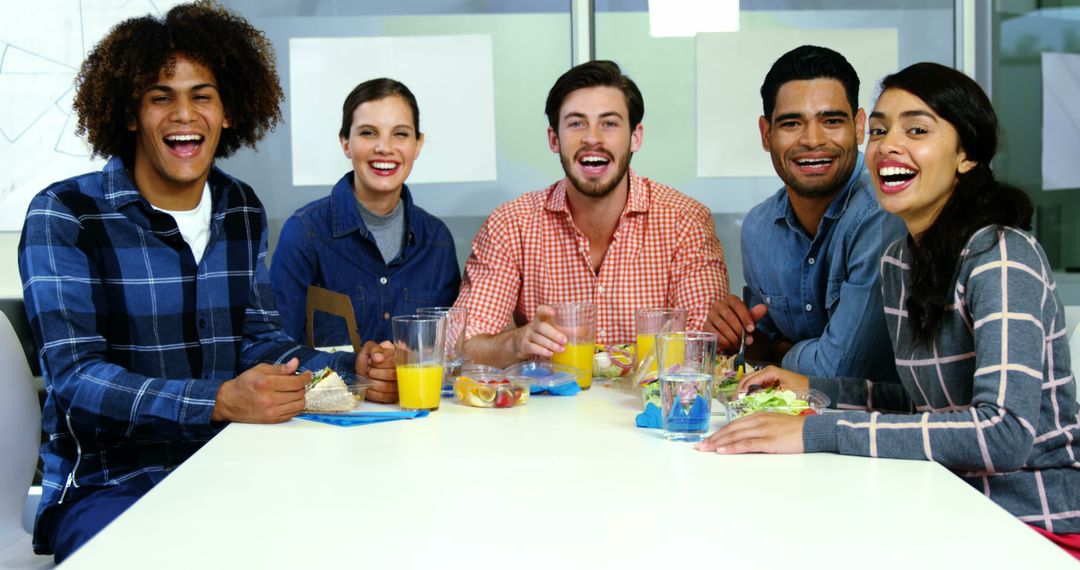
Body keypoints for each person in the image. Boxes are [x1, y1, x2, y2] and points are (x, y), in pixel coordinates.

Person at [17, 2, 396, 561]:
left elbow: (260, 338)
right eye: (160, 96)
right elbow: (76, 379)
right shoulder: (64, 214)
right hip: (110, 484)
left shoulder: (241, 207)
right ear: (129, 114)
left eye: (202, 95)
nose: (183, 114)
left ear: (229, 112)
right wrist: (216, 401)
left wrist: (349, 369)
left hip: (234, 468)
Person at [697, 62, 1080, 558]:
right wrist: (813, 389)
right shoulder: (903, 258)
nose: (887, 145)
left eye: (916, 130)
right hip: (944, 503)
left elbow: (1002, 432)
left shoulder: (1001, 255)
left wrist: (816, 430)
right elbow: (926, 408)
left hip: (1031, 524)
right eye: (879, 130)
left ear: (965, 155)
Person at [454, 60, 728, 367]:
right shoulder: (511, 224)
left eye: (609, 123)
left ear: (635, 137)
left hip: (649, 410)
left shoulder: (685, 221)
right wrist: (514, 343)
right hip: (549, 410)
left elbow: (703, 349)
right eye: (576, 123)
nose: (592, 138)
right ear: (554, 139)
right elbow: (462, 346)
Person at [705, 45, 905, 377]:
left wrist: (782, 352)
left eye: (831, 121)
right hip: (787, 421)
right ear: (766, 134)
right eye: (792, 123)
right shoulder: (758, 227)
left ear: (858, 127)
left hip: (874, 423)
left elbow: (841, 370)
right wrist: (735, 332)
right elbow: (760, 345)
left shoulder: (882, 213)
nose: (812, 140)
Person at [270, 78, 460, 346]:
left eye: (400, 134)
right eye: (368, 133)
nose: (384, 147)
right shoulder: (305, 232)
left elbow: (449, 349)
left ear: (418, 144)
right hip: (330, 389)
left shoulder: (437, 240)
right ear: (345, 142)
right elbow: (278, 347)